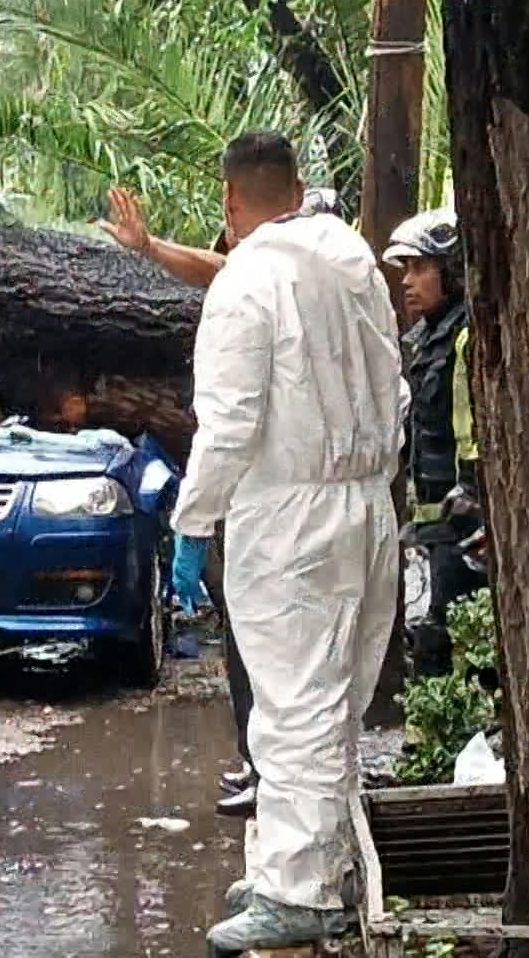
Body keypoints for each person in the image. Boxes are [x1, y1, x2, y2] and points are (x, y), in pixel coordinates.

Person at [169, 134, 404, 952]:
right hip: (368, 506)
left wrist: (193, 523)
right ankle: (303, 863)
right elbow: (395, 386)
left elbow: (229, 423)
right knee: (333, 702)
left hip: (289, 516)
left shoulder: (244, 280)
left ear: (231, 205)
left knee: (291, 707)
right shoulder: (354, 259)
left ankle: (298, 891)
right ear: (298, 190)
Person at [101, 184, 338, 818]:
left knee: (289, 659)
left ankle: (285, 788)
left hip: (287, 503)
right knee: (251, 647)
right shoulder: (273, 281)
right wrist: (149, 248)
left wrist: (194, 522)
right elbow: (219, 268)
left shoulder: (313, 286)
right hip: (264, 501)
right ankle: (261, 764)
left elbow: (229, 428)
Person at [381, 207, 487, 677]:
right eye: (406, 269)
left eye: (420, 268)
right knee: (433, 644)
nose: (408, 281)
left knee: (454, 652)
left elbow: (475, 435)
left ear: (453, 271)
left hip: (467, 527)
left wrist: (476, 502)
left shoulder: (470, 336)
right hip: (436, 528)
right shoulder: (429, 339)